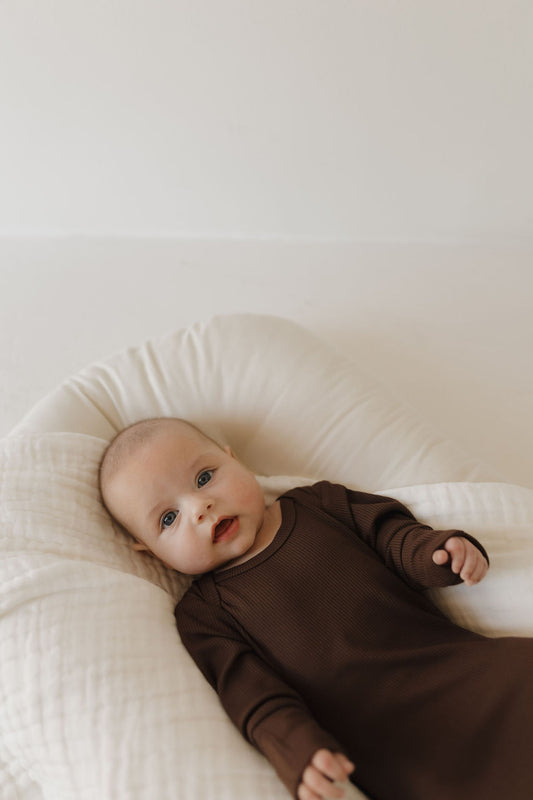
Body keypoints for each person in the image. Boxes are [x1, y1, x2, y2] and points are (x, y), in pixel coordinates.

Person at [99, 417, 532, 800]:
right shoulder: (205, 615)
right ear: (150, 552)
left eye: (205, 476)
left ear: (234, 460)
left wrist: (439, 553)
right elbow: (254, 698)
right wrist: (299, 752)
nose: (199, 507)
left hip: (463, 667)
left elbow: (391, 534)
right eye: (168, 519)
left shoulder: (318, 504)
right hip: (395, 744)